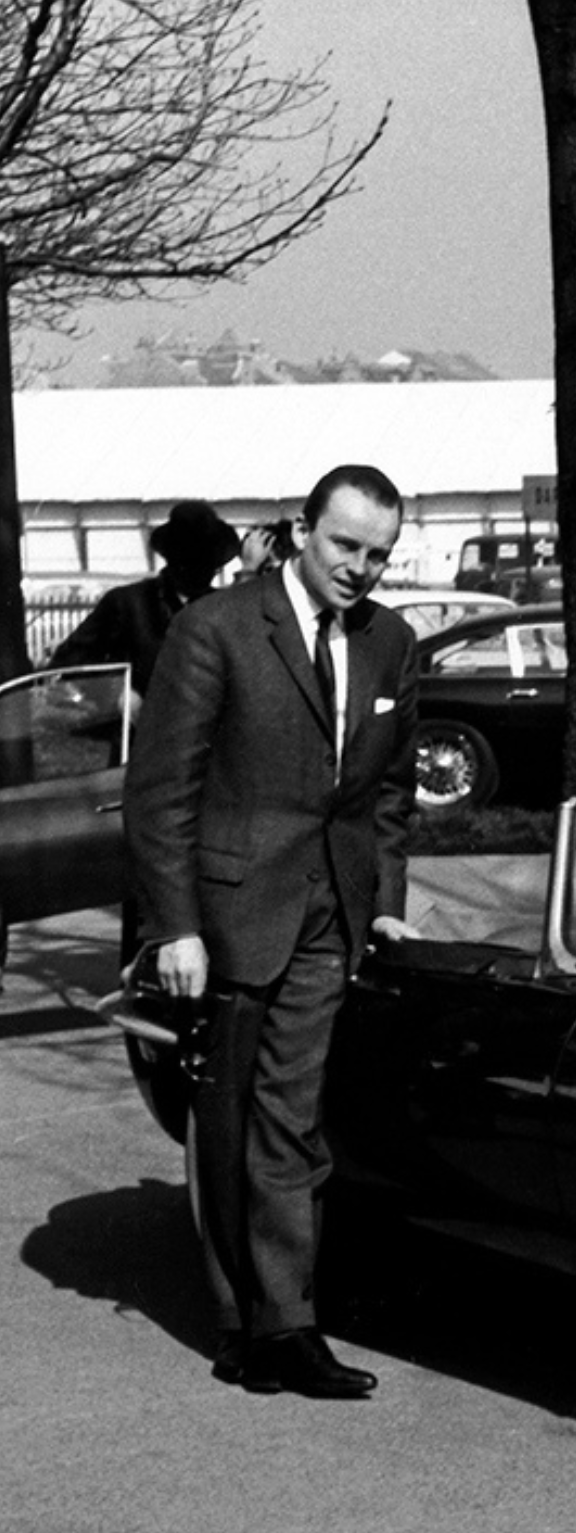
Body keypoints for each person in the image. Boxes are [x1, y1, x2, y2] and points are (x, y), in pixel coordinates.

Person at [124, 464, 421, 1400]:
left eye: (378, 554)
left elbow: (390, 793)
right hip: (228, 918)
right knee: (227, 1120)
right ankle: (235, 1323)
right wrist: (176, 925)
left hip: (331, 915)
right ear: (302, 531)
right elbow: (161, 792)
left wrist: (384, 897)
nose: (360, 568)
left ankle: (288, 1326)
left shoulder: (391, 643)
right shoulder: (216, 629)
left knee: (290, 1123)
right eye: (345, 546)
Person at [50, 500, 242, 695]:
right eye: (191, 562)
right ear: (173, 560)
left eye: (208, 563)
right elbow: (68, 665)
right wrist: (118, 693)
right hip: (133, 722)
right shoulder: (125, 604)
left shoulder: (223, 610)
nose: (204, 572)